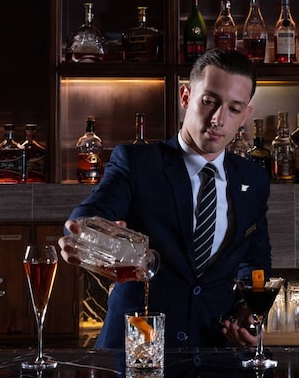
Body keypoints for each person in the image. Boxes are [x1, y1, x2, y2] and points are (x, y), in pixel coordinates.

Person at [59, 48, 272, 349]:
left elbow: (254, 261)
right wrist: (85, 234)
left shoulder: (254, 179)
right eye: (209, 101)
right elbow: (90, 214)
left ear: (245, 115)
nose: (218, 119)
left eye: (233, 109)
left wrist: (247, 311)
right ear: (186, 96)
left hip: (214, 355)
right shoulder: (137, 162)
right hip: (137, 349)